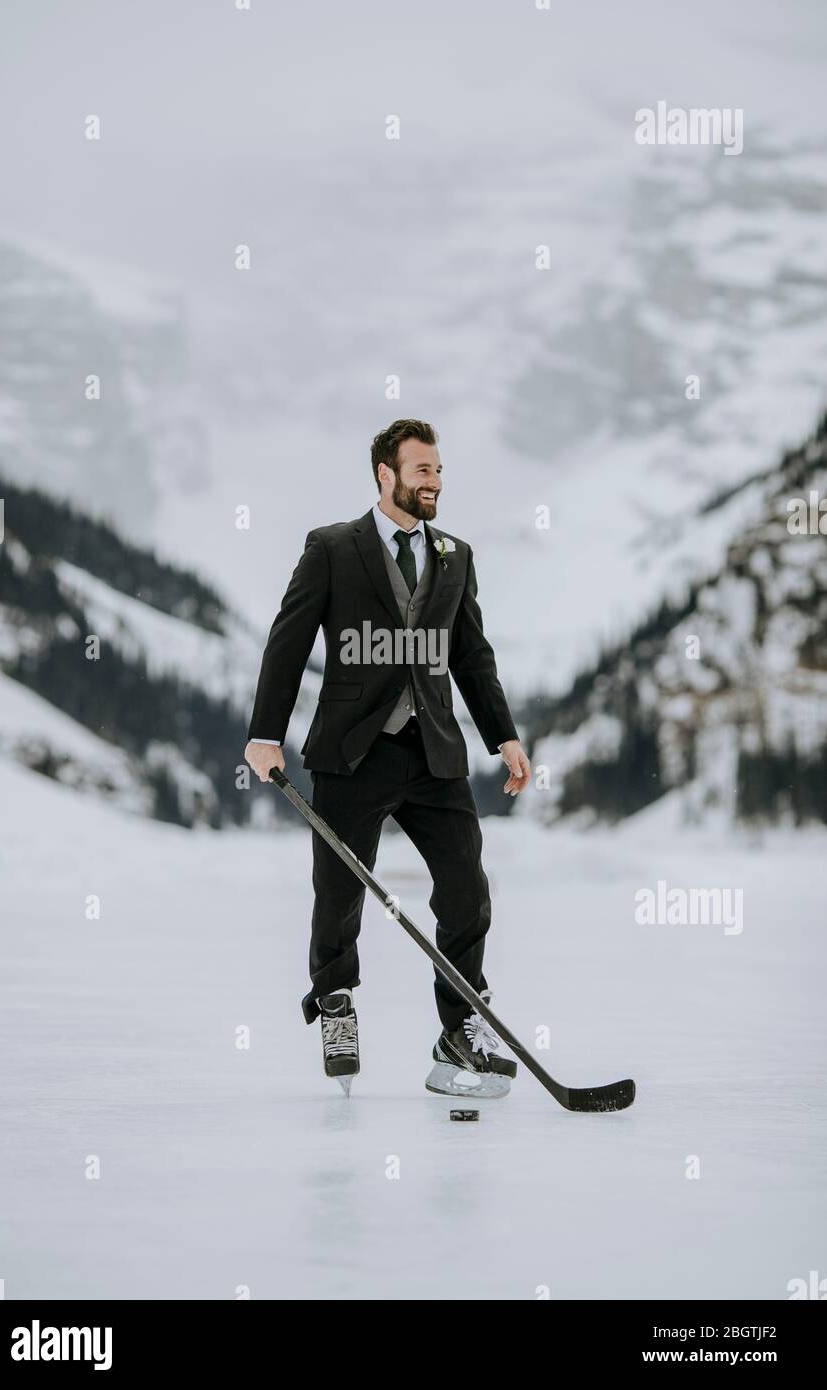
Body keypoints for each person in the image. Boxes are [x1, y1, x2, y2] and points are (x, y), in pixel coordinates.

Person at [245, 419, 531, 1097]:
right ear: (386, 474)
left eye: (439, 471)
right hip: (352, 750)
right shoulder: (332, 548)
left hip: (434, 751)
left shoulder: (456, 556)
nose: (434, 482)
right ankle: (335, 1000)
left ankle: (459, 1028)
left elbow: (470, 655)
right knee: (340, 893)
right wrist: (265, 732)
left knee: (467, 889)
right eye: (422, 470)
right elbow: (288, 644)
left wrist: (504, 736)